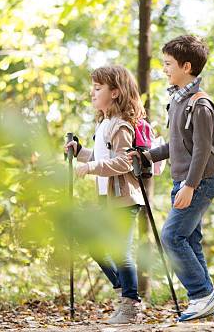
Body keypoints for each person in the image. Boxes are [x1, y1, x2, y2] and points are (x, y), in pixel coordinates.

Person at [129, 35, 214, 322]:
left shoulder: (200, 104)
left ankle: (201, 295)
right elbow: (178, 146)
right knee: (190, 240)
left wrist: (190, 186)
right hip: (182, 182)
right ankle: (208, 304)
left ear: (186, 65)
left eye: (169, 63)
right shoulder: (177, 101)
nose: (164, 68)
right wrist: (148, 156)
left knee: (171, 237)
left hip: (197, 182)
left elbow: (203, 149)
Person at [64, 65, 146, 324]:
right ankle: (125, 292)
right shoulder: (104, 123)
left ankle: (131, 306)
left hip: (124, 198)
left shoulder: (121, 125)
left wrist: (88, 168)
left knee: (121, 251)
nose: (92, 92)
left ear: (115, 92)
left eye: (98, 88)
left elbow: (123, 162)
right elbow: (103, 158)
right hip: (108, 200)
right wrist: (80, 152)